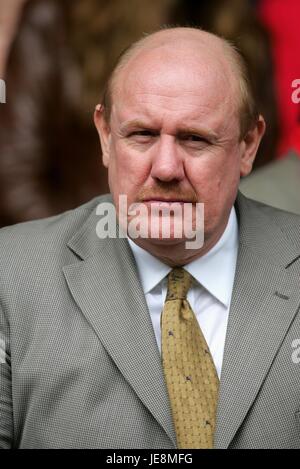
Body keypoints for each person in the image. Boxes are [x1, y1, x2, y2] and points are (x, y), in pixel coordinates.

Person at [0, 27, 300, 449]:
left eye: (195, 139)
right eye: (141, 134)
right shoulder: (9, 276)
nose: (165, 168)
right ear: (106, 136)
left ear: (248, 145)